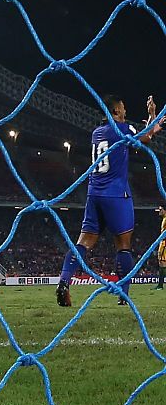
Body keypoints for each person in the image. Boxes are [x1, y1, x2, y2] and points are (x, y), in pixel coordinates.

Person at [57, 95, 162, 307]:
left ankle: (64, 281)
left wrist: (151, 123)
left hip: (94, 194)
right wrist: (153, 117)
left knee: (83, 243)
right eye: (123, 109)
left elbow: (142, 135)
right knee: (123, 245)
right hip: (116, 195)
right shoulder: (121, 129)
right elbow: (145, 138)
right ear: (115, 112)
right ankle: (123, 294)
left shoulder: (97, 133)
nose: (125, 112)